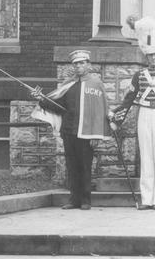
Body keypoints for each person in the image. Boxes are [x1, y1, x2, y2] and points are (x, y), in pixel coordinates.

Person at [113, 18, 155, 210]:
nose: (152, 59)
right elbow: (128, 98)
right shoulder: (139, 75)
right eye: (149, 56)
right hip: (144, 114)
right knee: (146, 156)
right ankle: (146, 199)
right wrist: (118, 118)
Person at [31, 50, 111, 210]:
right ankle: (74, 200)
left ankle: (86, 200)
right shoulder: (68, 84)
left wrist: (96, 134)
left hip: (87, 133)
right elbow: (57, 106)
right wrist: (41, 99)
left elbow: (100, 111)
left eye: (82, 63)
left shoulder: (96, 84)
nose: (79, 66)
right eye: (76, 63)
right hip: (69, 131)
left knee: (85, 167)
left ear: (88, 64)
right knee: (72, 166)